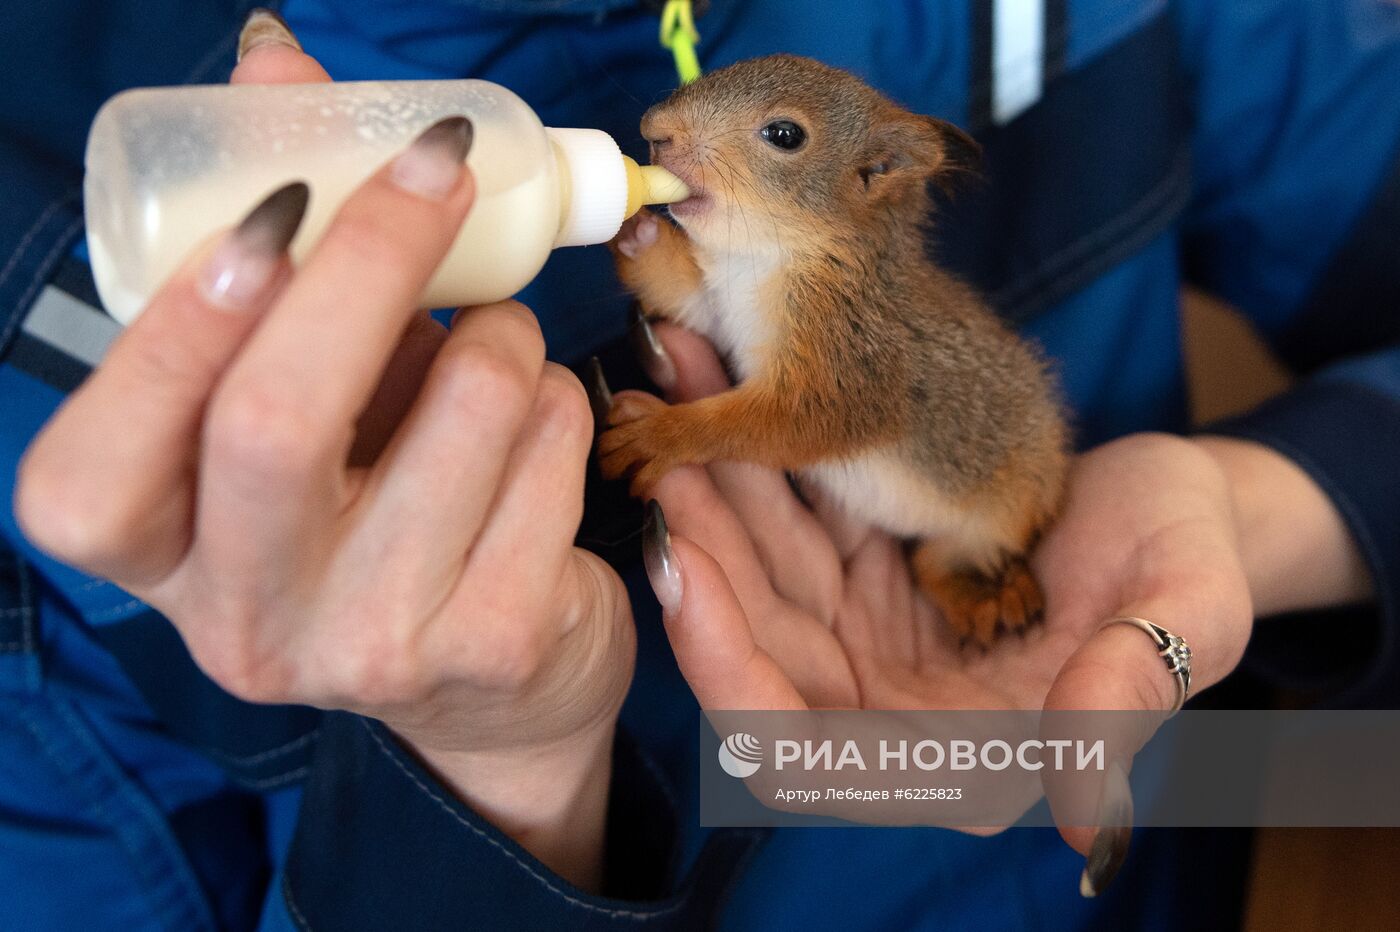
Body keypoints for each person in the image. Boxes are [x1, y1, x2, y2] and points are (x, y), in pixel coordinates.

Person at [1, 1, 1396, 929]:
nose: (671, 139)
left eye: (770, 138)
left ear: (864, 185)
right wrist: (496, 788)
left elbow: (799, 410)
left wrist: (1272, 509)